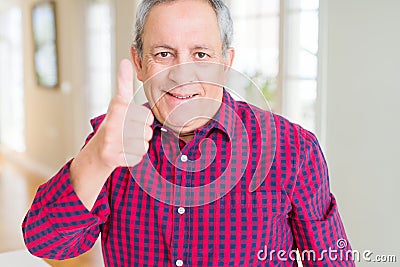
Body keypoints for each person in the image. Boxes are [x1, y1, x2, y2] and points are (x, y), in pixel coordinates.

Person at [22, 0, 354, 266]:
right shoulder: (111, 145)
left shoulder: (293, 149)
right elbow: (46, 244)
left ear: (226, 62)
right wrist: (95, 159)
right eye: (164, 54)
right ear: (138, 62)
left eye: (201, 54)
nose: (182, 74)